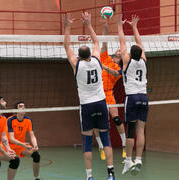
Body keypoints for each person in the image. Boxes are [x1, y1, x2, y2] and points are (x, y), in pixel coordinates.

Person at [63, 12, 115, 180]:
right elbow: (96, 41)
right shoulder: (97, 60)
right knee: (105, 138)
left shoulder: (76, 65)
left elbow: (66, 46)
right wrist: (89, 24)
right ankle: (111, 174)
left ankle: (90, 177)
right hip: (101, 103)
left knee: (87, 142)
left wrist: (68, 26)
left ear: (79, 56)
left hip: (86, 106)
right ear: (90, 55)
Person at [103, 14, 148, 175]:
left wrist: (120, 25)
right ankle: (139, 159)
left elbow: (122, 41)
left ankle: (128, 160)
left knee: (131, 130)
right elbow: (139, 42)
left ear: (129, 54)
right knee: (141, 130)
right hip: (144, 97)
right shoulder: (144, 60)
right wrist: (135, 26)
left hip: (133, 97)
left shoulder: (126, 61)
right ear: (140, 52)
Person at [94, 20, 126, 161]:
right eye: (118, 50)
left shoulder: (120, 69)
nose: (120, 50)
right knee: (96, 122)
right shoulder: (105, 57)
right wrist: (105, 28)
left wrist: (104, 68)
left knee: (117, 119)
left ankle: (125, 145)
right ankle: (101, 146)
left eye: (121, 50)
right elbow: (104, 42)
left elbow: (114, 74)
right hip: (96, 93)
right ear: (114, 53)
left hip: (108, 94)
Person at [7, 101, 41, 180]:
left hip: (21, 145)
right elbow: (11, 139)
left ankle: (36, 178)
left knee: (36, 155)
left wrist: (35, 145)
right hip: (9, 146)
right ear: (16, 110)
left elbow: (32, 135)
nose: (23, 107)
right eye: (21, 106)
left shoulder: (28, 120)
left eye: (24, 106)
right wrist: (24, 145)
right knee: (14, 161)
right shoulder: (10, 120)